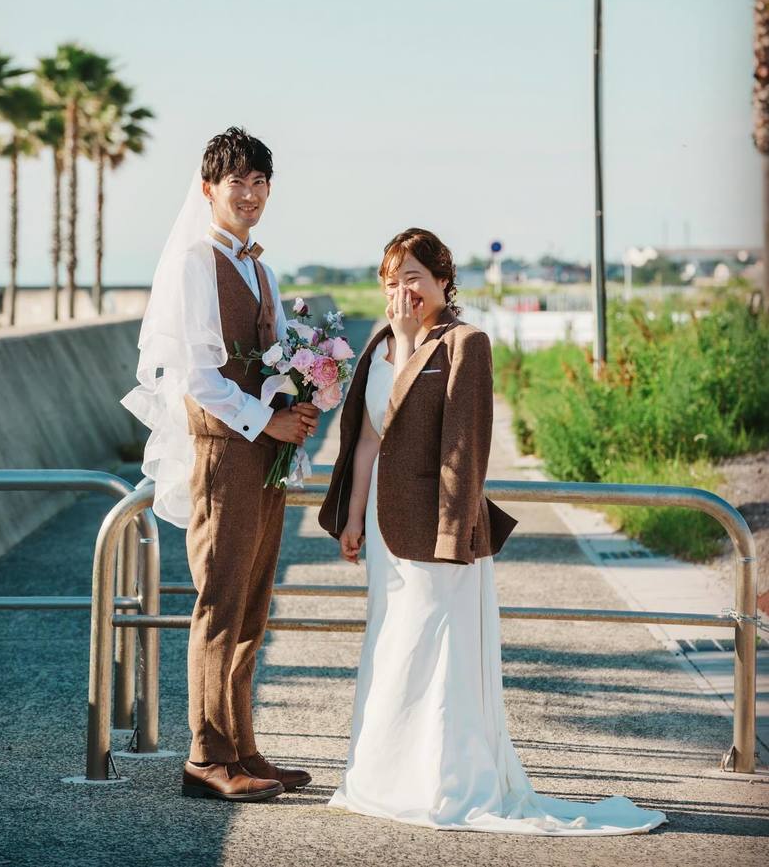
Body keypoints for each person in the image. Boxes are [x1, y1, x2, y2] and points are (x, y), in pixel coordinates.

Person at [318, 227, 667, 835]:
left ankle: (444, 786)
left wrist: (455, 539)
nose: (402, 291)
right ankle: (382, 780)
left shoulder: (465, 344)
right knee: (392, 647)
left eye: (415, 279)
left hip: (441, 528)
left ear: (443, 283)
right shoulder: (377, 345)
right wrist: (352, 517)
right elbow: (369, 438)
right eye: (392, 279)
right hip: (383, 526)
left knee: (438, 655)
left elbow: (465, 450)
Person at [122, 127, 319, 802]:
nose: (250, 193)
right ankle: (205, 755)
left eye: (261, 182)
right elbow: (198, 378)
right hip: (221, 453)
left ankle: (245, 746)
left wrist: (301, 398)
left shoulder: (261, 268)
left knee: (253, 606)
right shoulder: (194, 263)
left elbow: (276, 362)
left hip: (265, 457)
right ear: (208, 188)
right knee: (218, 603)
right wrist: (268, 417)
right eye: (237, 181)